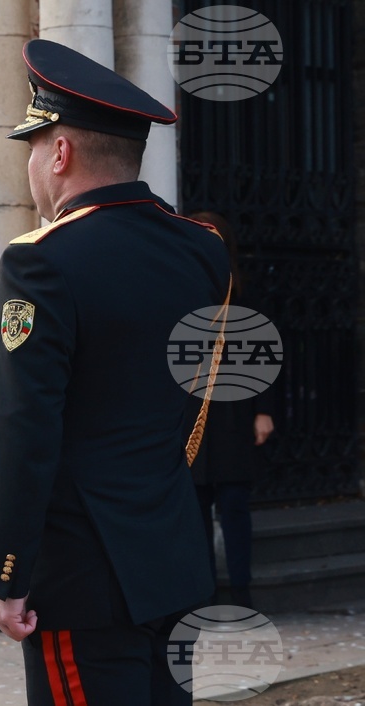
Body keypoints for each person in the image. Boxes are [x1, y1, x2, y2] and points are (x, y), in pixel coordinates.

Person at [0, 40, 232, 705]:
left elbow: (26, 429)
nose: (31, 164)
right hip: (172, 557)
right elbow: (187, 405)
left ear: (60, 153)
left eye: (34, 147)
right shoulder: (202, 250)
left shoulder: (40, 261)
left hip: (82, 575)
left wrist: (6, 572)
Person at [186, 211, 275, 611]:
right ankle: (203, 594)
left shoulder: (244, 297)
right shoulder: (177, 291)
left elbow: (265, 359)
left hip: (235, 413)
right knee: (196, 509)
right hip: (192, 415)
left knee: (235, 505)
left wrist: (263, 411)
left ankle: (241, 592)